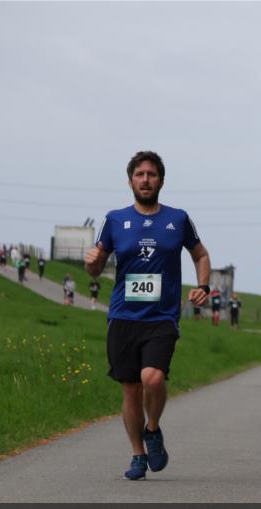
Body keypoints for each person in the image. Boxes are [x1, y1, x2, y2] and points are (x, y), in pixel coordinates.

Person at [85, 150, 211, 481]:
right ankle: (138, 454)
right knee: (131, 390)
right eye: (139, 175)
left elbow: (200, 254)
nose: (145, 180)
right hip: (123, 316)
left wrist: (204, 285)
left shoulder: (178, 218)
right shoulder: (114, 220)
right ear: (130, 181)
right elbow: (96, 269)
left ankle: (152, 429)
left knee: (152, 378)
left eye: (151, 174)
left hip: (162, 315)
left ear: (161, 181)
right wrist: (91, 263)